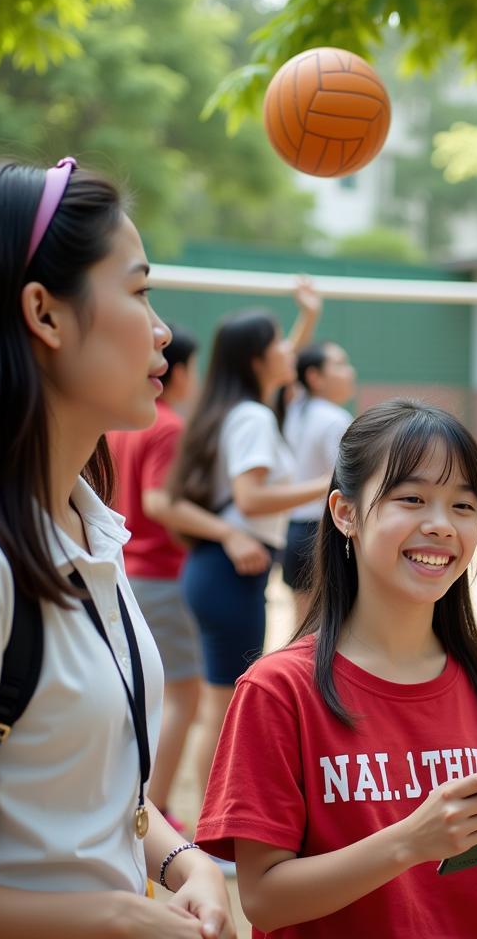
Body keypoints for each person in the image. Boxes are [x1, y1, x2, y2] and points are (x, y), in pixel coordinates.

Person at [0, 158, 232, 937]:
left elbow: (79, 779)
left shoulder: (86, 522)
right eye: (140, 291)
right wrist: (112, 917)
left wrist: (185, 862)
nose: (162, 330)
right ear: (44, 314)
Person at [194, 398, 477, 938]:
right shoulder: (278, 689)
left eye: (463, 506)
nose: (441, 526)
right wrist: (409, 841)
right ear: (345, 513)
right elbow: (264, 899)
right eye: (411, 498)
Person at [166, 289, 331, 797]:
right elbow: (252, 497)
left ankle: (208, 830)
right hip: (230, 571)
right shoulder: (253, 417)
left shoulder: (243, 408)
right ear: (258, 359)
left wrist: (308, 316)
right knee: (220, 708)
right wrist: (332, 485)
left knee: (219, 703)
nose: (291, 352)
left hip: (225, 570)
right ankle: (211, 836)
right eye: (279, 345)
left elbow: (275, 360)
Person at [108, 324, 269, 831]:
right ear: (174, 372)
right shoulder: (166, 425)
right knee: (184, 697)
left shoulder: (119, 423)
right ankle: (154, 812)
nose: (195, 380)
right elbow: (159, 501)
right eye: (191, 369)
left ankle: (150, 808)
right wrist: (229, 532)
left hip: (129, 572)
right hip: (159, 573)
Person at [282, 341, 356, 627]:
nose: (350, 371)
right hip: (319, 533)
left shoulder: (294, 408)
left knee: (301, 624)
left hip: (292, 532)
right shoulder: (335, 419)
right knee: (320, 629)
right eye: (339, 364)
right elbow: (347, 481)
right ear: (314, 376)